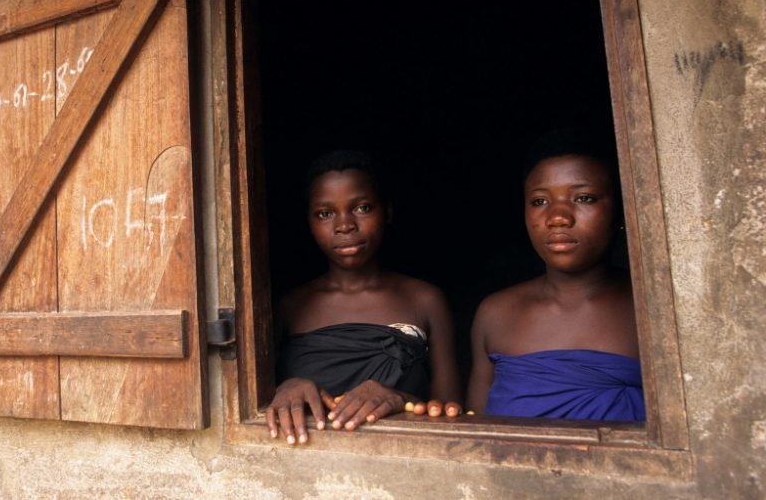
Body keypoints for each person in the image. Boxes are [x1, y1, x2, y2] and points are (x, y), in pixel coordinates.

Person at [267, 150, 462, 445]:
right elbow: (252, 405)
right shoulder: (288, 307)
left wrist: (399, 398)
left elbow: (451, 412)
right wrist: (285, 388)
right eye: (325, 213)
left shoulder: (425, 300)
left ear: (388, 211)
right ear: (308, 222)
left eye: (362, 208)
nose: (345, 225)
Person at [467, 129, 645, 422]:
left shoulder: (652, 312)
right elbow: (474, 436)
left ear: (622, 211)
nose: (558, 217)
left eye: (584, 198)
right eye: (539, 201)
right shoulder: (495, 315)